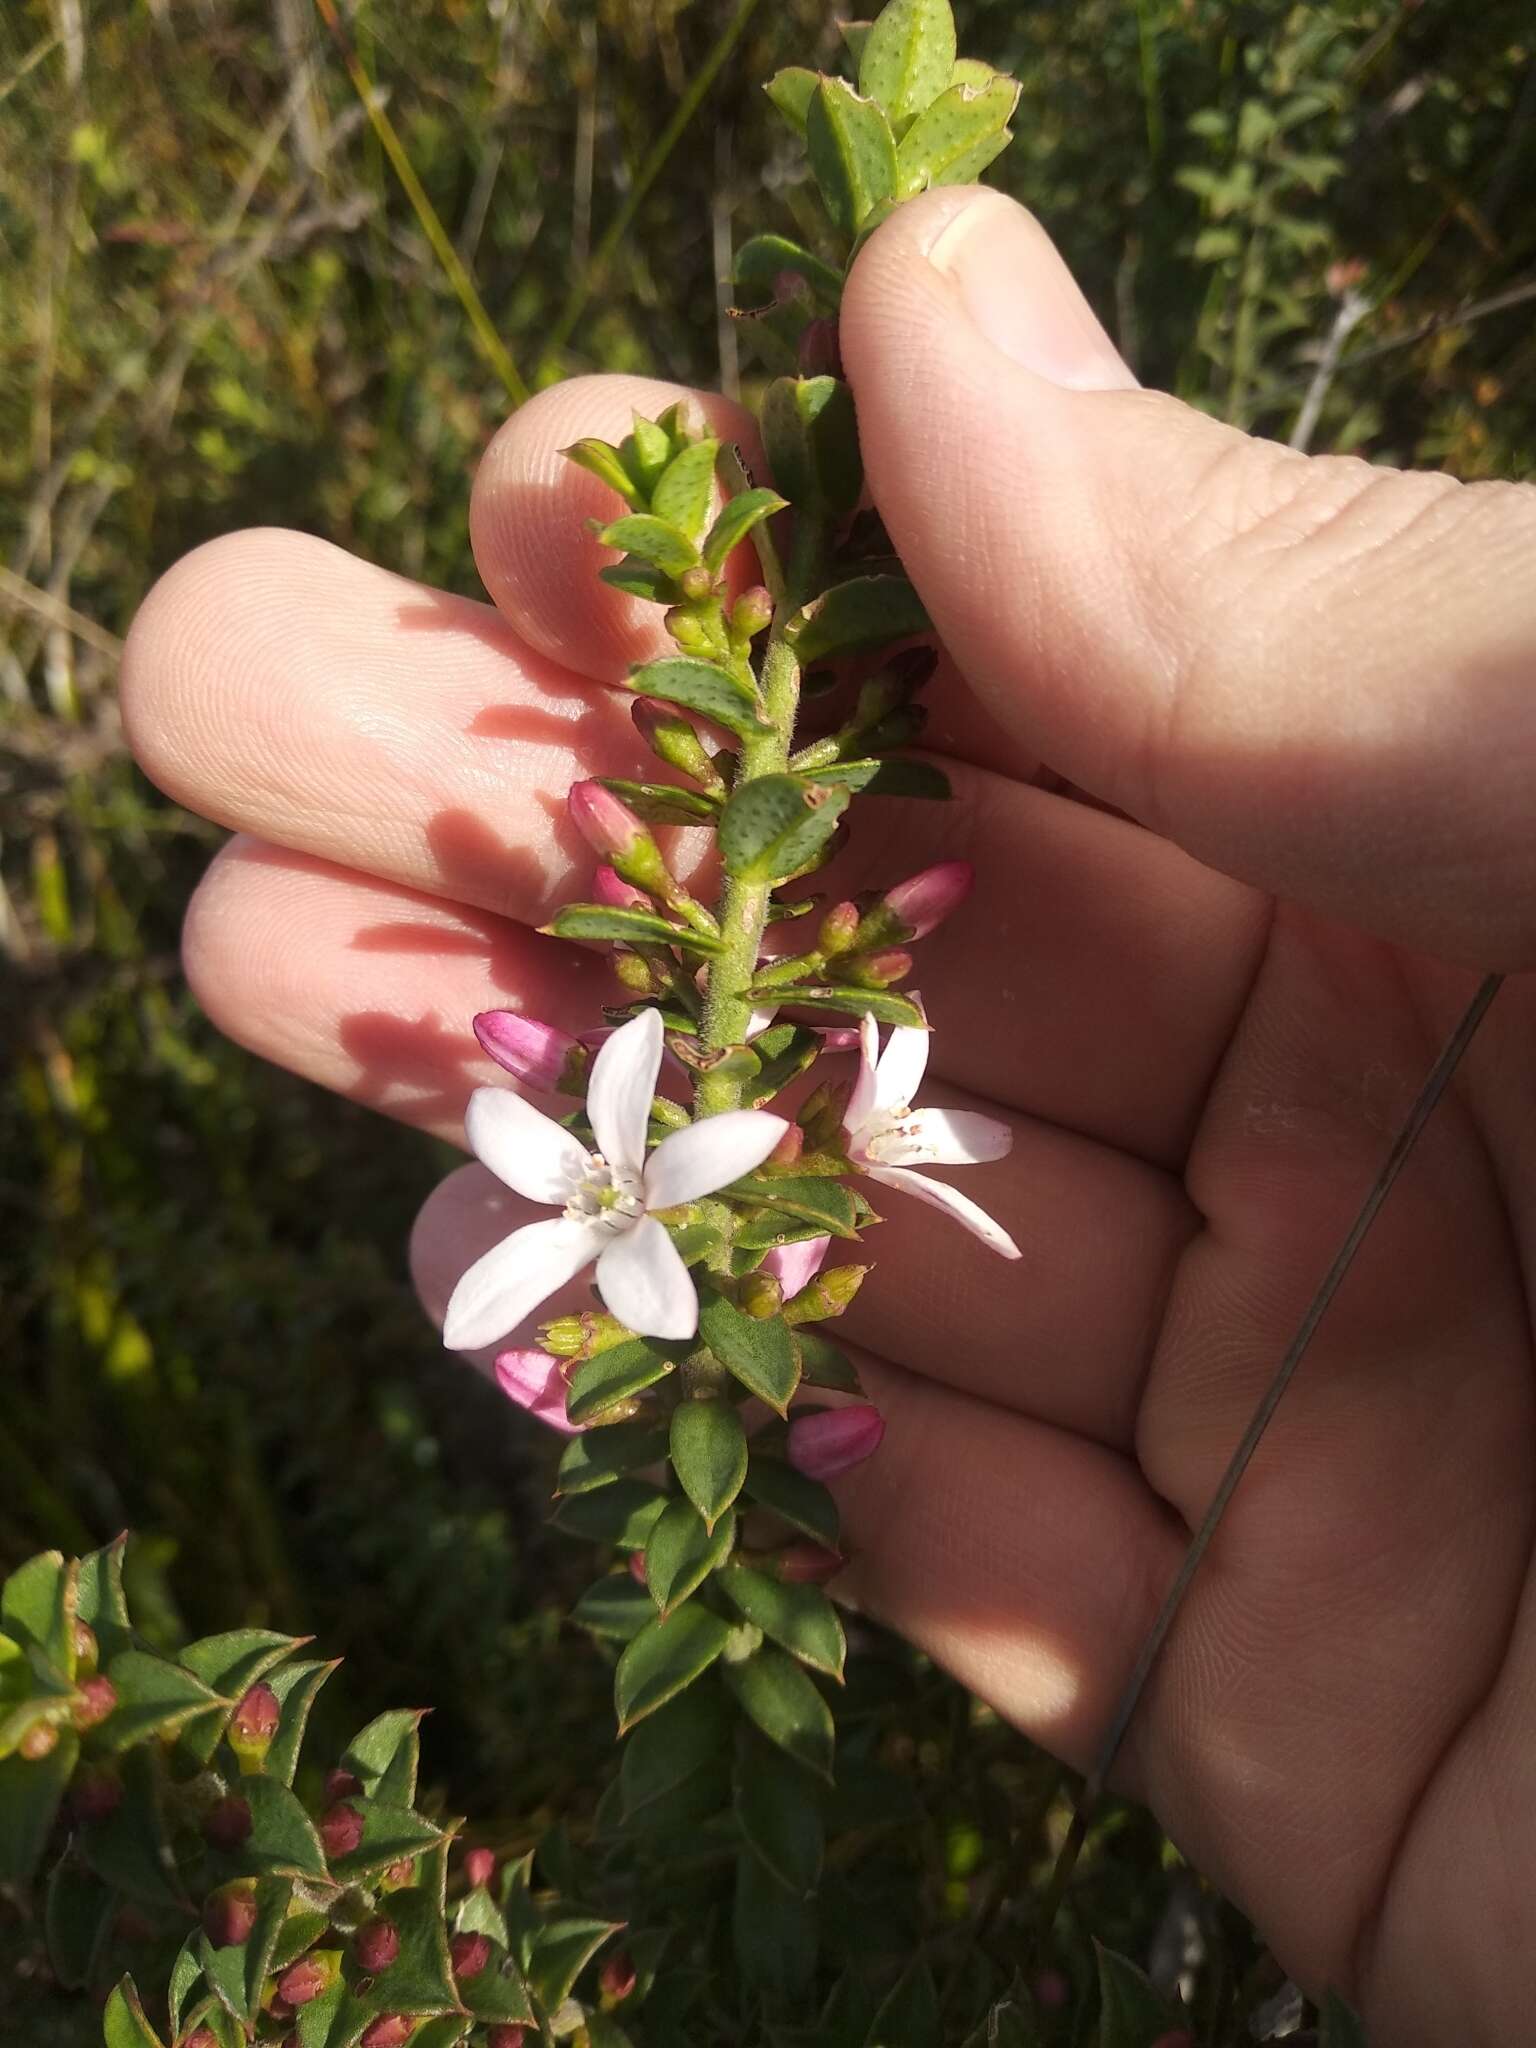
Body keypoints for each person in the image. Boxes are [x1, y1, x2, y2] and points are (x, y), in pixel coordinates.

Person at [120, 187, 1536, 2045]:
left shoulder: (715, 1155)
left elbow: (652, 1137)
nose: (617, 1189)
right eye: (611, 1187)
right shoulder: (643, 1165)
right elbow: (601, 1113)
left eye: (619, 1188)